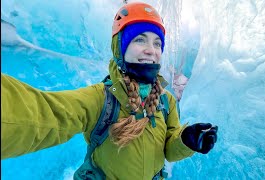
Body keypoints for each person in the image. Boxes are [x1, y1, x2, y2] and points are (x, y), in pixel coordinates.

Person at [1, 2, 218, 180]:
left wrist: (186, 140)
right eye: (139, 39)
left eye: (157, 43)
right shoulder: (101, 98)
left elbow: (168, 150)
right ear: (119, 48)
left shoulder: (165, 100)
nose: (151, 50)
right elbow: (48, 115)